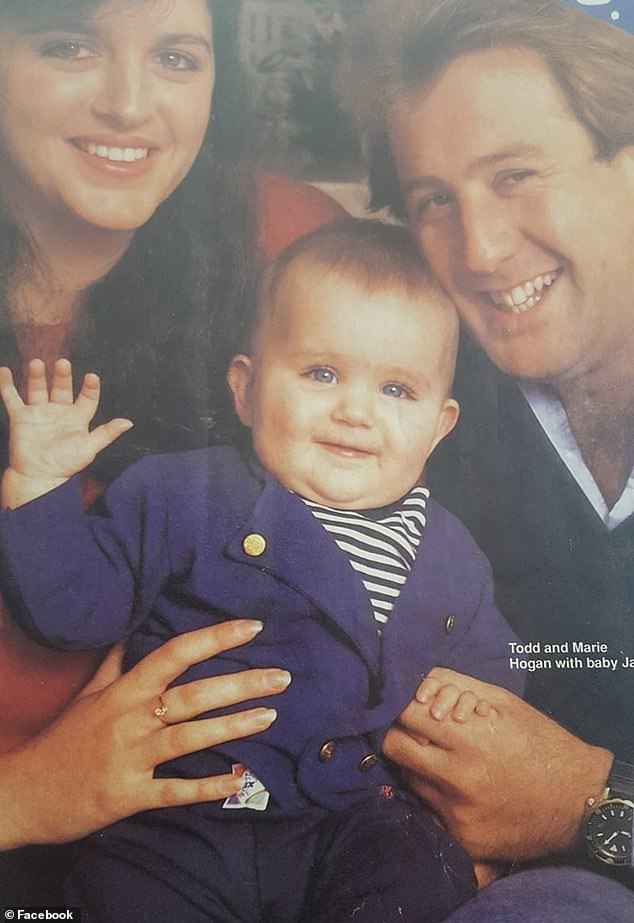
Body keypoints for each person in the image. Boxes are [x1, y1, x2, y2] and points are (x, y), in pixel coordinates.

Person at [0, 220, 522, 922]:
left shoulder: (450, 553)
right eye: (322, 373)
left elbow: (491, 674)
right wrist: (40, 489)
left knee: (422, 880)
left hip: (354, 817)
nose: (355, 411)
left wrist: (473, 702)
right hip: (182, 813)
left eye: (397, 390)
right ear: (245, 390)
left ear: (440, 423)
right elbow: (71, 611)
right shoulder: (184, 493)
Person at [0, 0, 343, 903]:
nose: (128, 103)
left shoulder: (293, 243)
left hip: (279, 827)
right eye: (69, 44)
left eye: (178, 58)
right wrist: (26, 794)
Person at [338, 0, 634, 917]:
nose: (480, 249)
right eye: (435, 200)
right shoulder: (413, 410)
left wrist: (591, 801)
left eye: (515, 175)